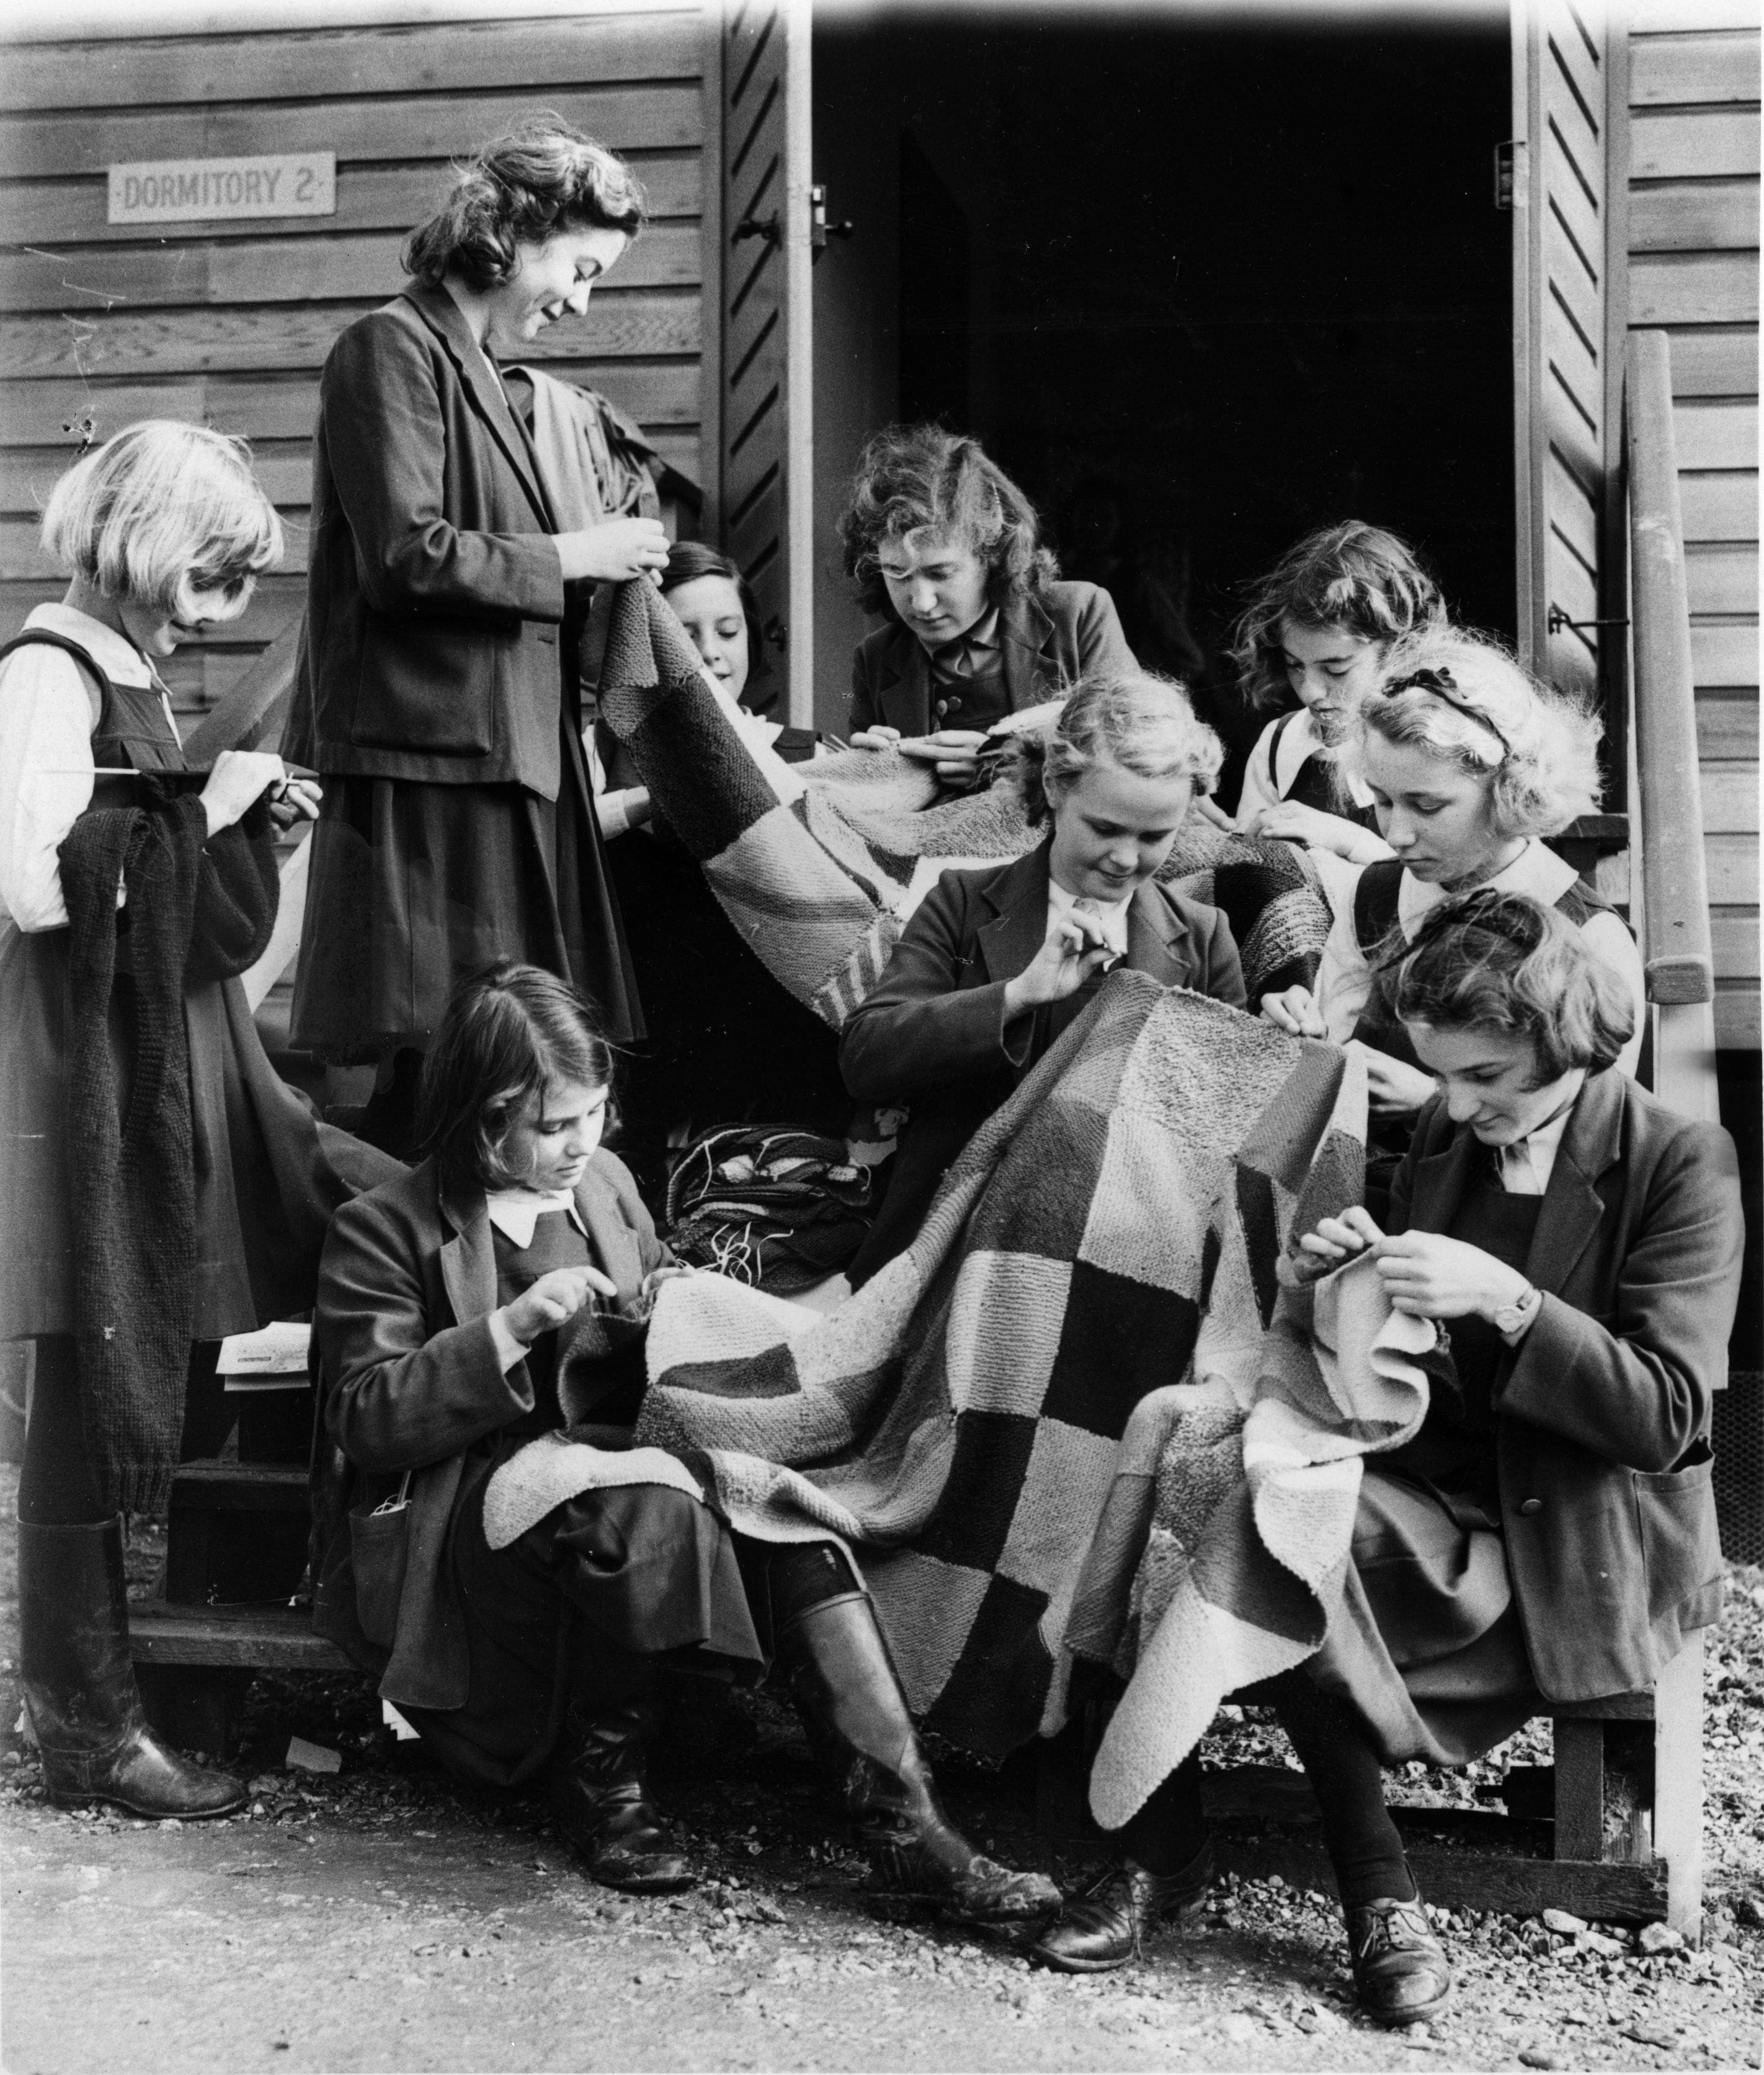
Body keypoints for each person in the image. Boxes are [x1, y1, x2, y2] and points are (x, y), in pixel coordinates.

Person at [313, 962, 1059, 1921]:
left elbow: (659, 1301)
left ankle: (911, 1831)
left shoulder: (607, 1185)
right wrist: (509, 1329)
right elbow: (366, 1416)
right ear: (483, 1115)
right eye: (552, 1126)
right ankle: (603, 1788)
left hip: (621, 1461)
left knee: (789, 1510)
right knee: (649, 1503)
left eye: (595, 1114)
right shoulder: (385, 1227)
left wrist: (710, 1316)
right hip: (473, 1512)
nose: (583, 1142)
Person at [0, 421, 396, 1821]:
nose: (218, 614)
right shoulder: (45, 679)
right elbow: (37, 890)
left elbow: (194, 936)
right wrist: (198, 806)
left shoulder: (127, 683)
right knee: (83, 1380)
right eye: (212, 578)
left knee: (153, 1353)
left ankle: (152, 1688)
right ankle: (90, 1725)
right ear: (150, 548)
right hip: (79, 1077)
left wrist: (247, 837)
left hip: (151, 1063)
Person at [1262, 892, 1739, 2022]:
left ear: (1557, 1038)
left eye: (1481, 1076)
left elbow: (1668, 1415)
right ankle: (1366, 1896)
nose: (1453, 1103)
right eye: (1442, 1073)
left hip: (1581, 1536)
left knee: (1290, 1576)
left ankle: (1365, 1897)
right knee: (1254, 1511)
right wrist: (1335, 1274)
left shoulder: (1680, 1159)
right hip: (1454, 1488)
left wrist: (1516, 1304)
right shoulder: (1443, 1129)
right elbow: (1419, 1363)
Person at [288, 115, 667, 1151]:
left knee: (488, 1054)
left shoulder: (473, 370)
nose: (580, 302)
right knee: (452, 1051)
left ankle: (461, 1277)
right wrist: (573, 557)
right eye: (580, 269)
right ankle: (403, 1283)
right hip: (430, 769)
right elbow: (405, 556)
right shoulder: (387, 350)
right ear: (516, 232)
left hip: (494, 762)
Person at [840, 672, 1247, 1284]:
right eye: (1106, 828)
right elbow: (866, 1057)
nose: (1127, 859)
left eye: (1156, 836)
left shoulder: (1204, 934)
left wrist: (1277, 1038)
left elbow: (1223, 1131)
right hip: (953, 1248)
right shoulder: (962, 900)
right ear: (1056, 786)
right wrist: (1018, 995)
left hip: (1118, 1262)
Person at [1258, 628, 1645, 1212]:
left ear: (1511, 790)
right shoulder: (1377, 891)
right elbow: (1331, 1049)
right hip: (1351, 1189)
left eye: (1427, 805)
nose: (1395, 835)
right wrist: (1303, 1041)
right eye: (1383, 801)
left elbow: (1596, 1151)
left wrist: (1430, 1103)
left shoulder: (1588, 934)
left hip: (1493, 1215)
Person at [589, 543, 849, 1200]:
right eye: (684, 634)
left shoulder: (801, 749)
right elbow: (563, 835)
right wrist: (658, 796)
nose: (710, 652)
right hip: (645, 1022)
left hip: (765, 1029)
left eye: (728, 632)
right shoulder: (601, 750)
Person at [839, 425, 1136, 788]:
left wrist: (1007, 767)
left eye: (942, 573)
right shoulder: (875, 658)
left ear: (994, 555)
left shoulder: (1079, 614)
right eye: (897, 574)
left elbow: (1136, 757)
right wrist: (863, 771)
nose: (921, 602)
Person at [1208, 520, 1445, 866]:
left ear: (1399, 649)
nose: (1310, 692)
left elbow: (1453, 882)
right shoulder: (1279, 744)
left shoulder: (1436, 742)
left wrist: (1351, 842)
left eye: (1336, 669)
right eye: (1295, 665)